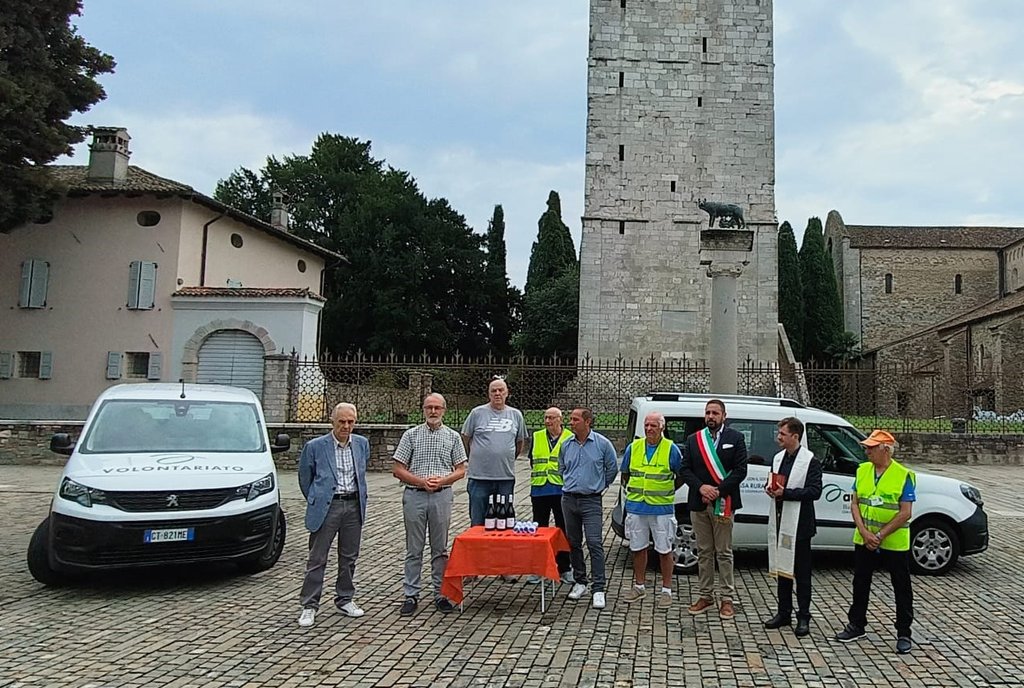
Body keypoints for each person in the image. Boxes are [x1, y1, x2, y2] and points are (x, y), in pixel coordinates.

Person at [834, 429, 916, 655]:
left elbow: (905, 512)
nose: (866, 451)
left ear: (886, 449)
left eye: (871, 447)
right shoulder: (862, 470)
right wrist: (864, 531)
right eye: (866, 447)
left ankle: (904, 632)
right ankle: (856, 624)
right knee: (860, 582)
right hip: (864, 538)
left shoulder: (903, 475)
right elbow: (855, 503)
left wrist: (880, 535)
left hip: (893, 541)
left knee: (901, 586)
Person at [392, 393, 467, 616]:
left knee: (440, 548)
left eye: (437, 408)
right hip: (415, 494)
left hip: (441, 495)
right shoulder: (411, 435)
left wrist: (442, 481)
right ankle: (411, 594)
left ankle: (440, 593)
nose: (433, 412)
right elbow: (398, 468)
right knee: (414, 548)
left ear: (444, 410)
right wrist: (420, 481)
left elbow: (461, 469)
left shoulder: (453, 437)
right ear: (423, 410)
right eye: (429, 407)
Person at [297, 402, 370, 627]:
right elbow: (304, 478)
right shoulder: (315, 446)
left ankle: (345, 598)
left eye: (351, 422)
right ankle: (309, 605)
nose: (346, 426)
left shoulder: (361, 444)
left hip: (353, 504)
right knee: (317, 558)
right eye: (342, 422)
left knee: (349, 557)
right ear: (332, 421)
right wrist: (316, 499)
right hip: (328, 506)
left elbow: (362, 469)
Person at [680, 398, 748, 620]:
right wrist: (702, 487)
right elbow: (685, 469)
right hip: (699, 503)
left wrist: (718, 491)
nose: (711, 416)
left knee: (724, 552)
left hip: (724, 503)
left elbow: (740, 470)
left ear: (724, 416)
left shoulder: (735, 438)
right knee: (704, 552)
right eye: (708, 412)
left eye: (715, 413)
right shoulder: (693, 440)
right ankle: (705, 595)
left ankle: (727, 599)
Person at [764, 416, 822, 637]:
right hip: (780, 521)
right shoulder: (778, 458)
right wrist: (769, 488)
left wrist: (786, 493)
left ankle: (804, 615)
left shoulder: (810, 461)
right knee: (782, 570)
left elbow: (815, 491)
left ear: (795, 436)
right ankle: (784, 612)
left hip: (801, 525)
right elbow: (775, 481)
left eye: (782, 434)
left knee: (801, 572)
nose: (778, 437)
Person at [621, 411, 684, 609]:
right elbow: (625, 473)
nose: (649, 429)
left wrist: (665, 491)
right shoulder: (634, 447)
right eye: (647, 425)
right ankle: (639, 586)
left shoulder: (671, 449)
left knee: (664, 550)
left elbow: (680, 474)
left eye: (653, 426)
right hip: (637, 506)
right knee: (637, 548)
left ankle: (666, 591)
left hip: (661, 509)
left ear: (662, 428)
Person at [559, 407, 618, 609]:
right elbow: (561, 468)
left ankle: (599, 588)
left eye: (575, 419)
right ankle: (580, 581)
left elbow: (612, 469)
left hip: (591, 500)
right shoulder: (566, 445)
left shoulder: (602, 444)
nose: (571, 422)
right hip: (569, 499)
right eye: (571, 418)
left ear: (588, 422)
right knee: (573, 542)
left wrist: (599, 486)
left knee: (594, 542)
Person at [460, 376, 528, 527]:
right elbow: (465, 437)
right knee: (478, 521)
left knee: (504, 521)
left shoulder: (516, 415)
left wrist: (507, 456)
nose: (497, 393)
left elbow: (520, 442)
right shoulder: (477, 413)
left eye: (501, 390)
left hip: (505, 478)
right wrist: (474, 455)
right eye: (493, 391)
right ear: (489, 394)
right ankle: (477, 550)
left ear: (507, 393)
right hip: (479, 478)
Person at [525, 407, 574, 585]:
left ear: (560, 420)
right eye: (546, 418)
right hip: (539, 490)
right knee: (539, 530)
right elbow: (532, 460)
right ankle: (538, 568)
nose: (547, 421)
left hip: (561, 490)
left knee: (563, 529)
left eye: (552, 418)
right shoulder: (537, 436)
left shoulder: (569, 437)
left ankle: (565, 568)